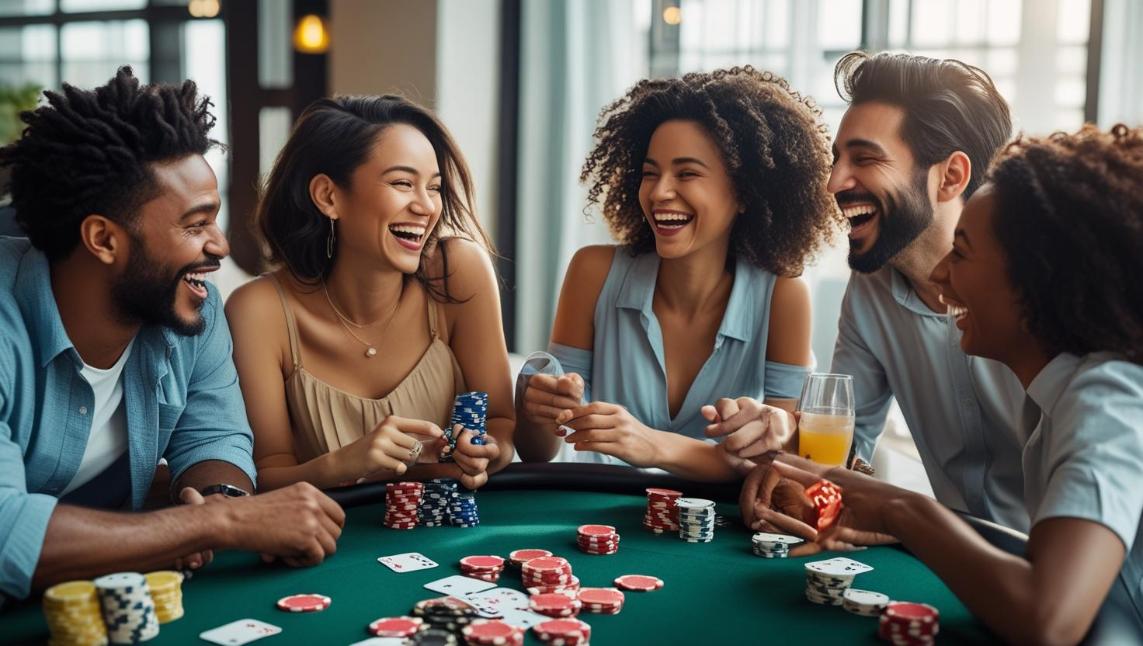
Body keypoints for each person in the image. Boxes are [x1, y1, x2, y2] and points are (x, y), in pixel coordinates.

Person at [750, 124, 1143, 643]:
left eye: (960, 253)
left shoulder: (1108, 398)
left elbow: (1049, 618)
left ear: (1036, 278)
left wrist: (903, 509)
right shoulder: (1053, 398)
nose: (939, 279)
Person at [0, 68, 345, 603]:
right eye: (196, 224)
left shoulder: (188, 308)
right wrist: (221, 526)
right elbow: (5, 532)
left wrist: (219, 498)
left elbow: (214, 437)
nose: (221, 246)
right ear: (102, 239)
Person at [716, 52, 1029, 530]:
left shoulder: (1041, 289)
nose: (833, 182)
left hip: (1075, 578)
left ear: (950, 177)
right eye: (837, 159)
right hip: (955, 566)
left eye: (865, 158)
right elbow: (842, 451)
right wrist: (789, 470)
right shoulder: (870, 289)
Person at [514, 67, 839, 481]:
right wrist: (537, 407)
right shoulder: (592, 272)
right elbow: (538, 452)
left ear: (743, 193)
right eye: (650, 173)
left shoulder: (782, 295)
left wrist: (652, 445)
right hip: (593, 516)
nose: (660, 191)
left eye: (686, 173)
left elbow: (786, 467)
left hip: (717, 530)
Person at [225, 95, 513, 492]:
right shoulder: (258, 311)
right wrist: (345, 463)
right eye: (401, 183)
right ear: (328, 196)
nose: (427, 207)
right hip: (327, 543)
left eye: (434, 188)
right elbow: (265, 476)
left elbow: (500, 421)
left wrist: (485, 452)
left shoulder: (458, 271)